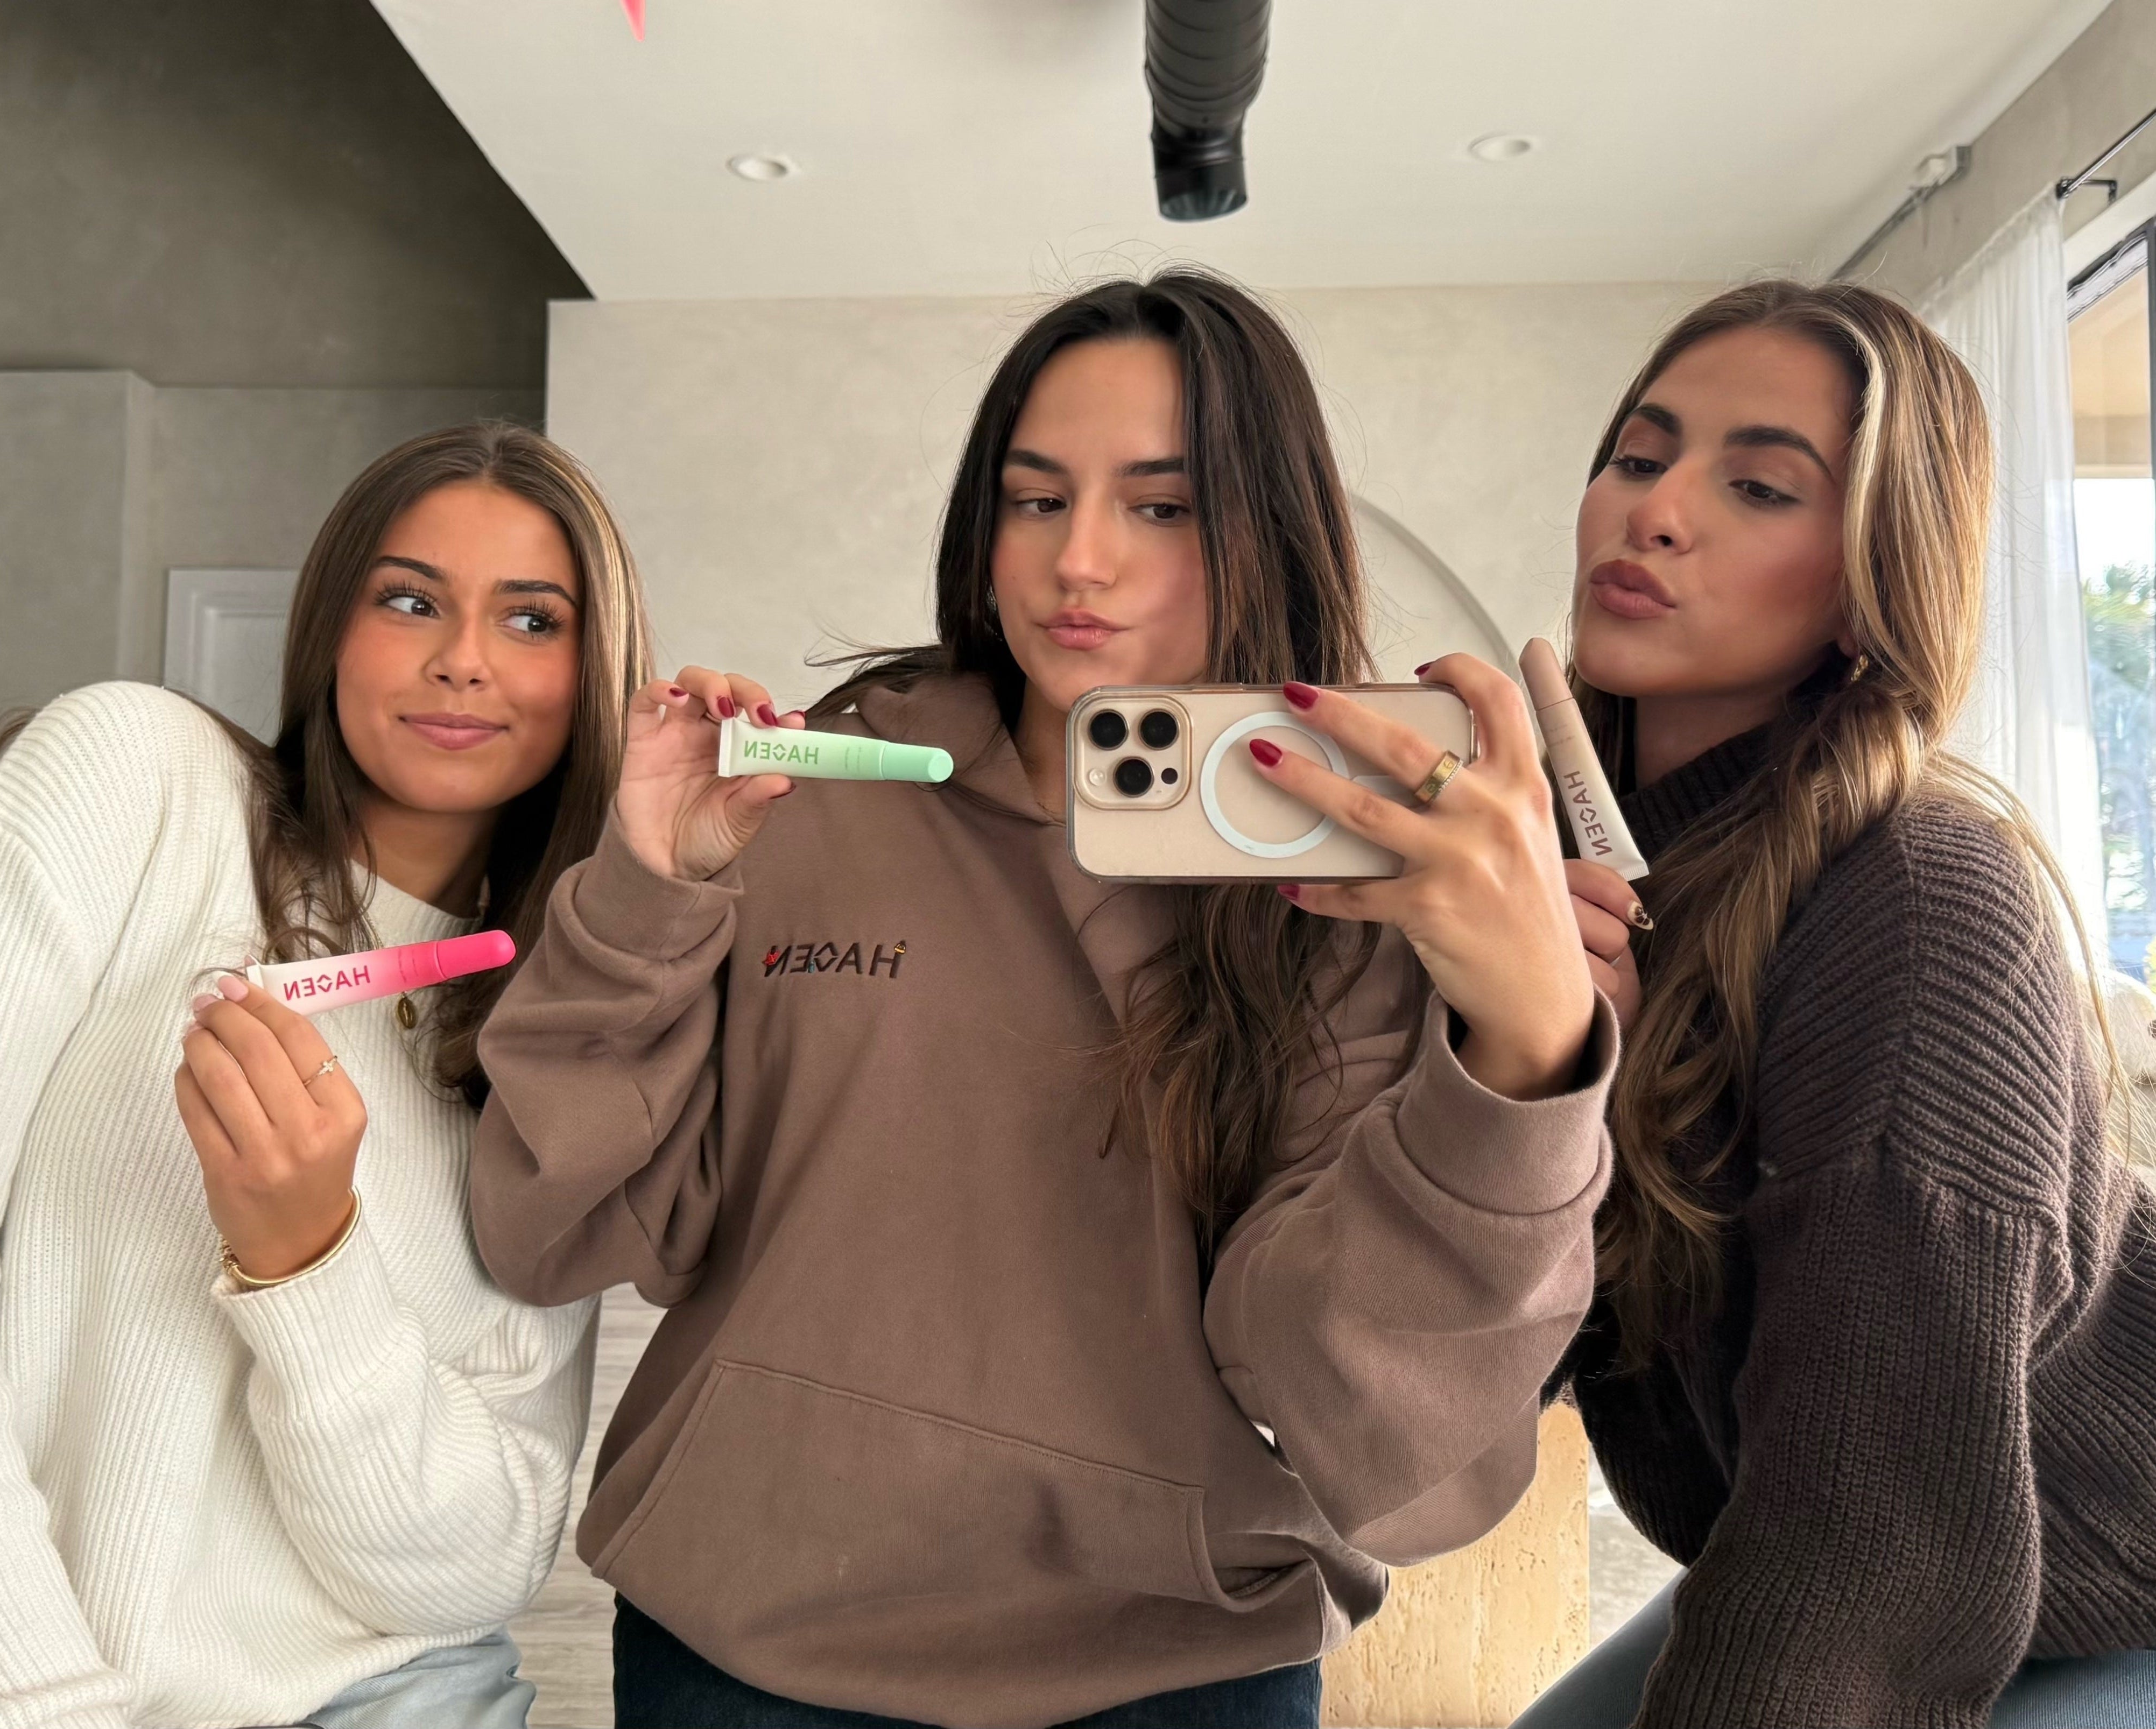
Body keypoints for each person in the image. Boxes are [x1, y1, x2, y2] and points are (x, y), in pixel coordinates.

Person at [470, 270, 1617, 1729]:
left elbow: (1373, 1421)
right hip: (747, 1637)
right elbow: (563, 1219)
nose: (1078, 560)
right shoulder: (809, 793)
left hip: (1174, 1667)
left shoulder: (1349, 890)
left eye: (1160, 505)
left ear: (1264, 525)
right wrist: (646, 886)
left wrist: (1523, 1053)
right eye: (1032, 498)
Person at [1514, 280, 2156, 1729]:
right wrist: (1508, 1066)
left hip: (2099, 1567)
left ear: (1869, 572)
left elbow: (1875, 1538)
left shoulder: (1921, 898)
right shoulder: (1592, 876)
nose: (1658, 509)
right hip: (1821, 1524)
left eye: (1756, 483)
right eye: (1637, 454)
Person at [0, 423, 651, 1727]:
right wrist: (46, 1692)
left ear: (595, 674)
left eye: (531, 620)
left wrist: (307, 1263)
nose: (462, 657)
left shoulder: (545, 1038)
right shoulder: (137, 777)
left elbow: (475, 1561)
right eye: (409, 600)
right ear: (327, 632)